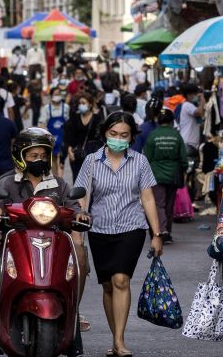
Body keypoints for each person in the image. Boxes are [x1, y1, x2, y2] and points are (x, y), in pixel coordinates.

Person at [0, 128, 91, 357]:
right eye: (33, 156)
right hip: (13, 242)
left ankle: (74, 310)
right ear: (20, 156)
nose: (39, 160)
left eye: (43, 155)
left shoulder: (59, 184)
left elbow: (74, 208)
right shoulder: (6, 182)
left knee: (81, 254)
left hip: (53, 244)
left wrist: (80, 215)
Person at [75, 112, 164, 357]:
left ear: (131, 137)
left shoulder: (140, 162)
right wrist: (79, 226)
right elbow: (83, 196)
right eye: (113, 134)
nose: (118, 139)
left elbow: (147, 198)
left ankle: (119, 340)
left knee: (120, 281)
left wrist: (157, 234)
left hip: (131, 228)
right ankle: (115, 341)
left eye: (124, 135)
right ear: (105, 133)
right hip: (99, 229)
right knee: (107, 285)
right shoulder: (92, 161)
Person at [142, 109, 187, 243]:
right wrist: (184, 169)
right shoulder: (176, 135)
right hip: (173, 175)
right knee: (169, 205)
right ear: (172, 120)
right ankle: (167, 230)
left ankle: (162, 231)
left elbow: (147, 158)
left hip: (156, 174)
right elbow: (183, 158)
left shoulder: (153, 135)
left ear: (158, 120)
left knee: (159, 204)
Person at [62, 92, 105, 182]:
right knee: (77, 179)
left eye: (83, 103)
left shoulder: (98, 119)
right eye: (80, 103)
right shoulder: (74, 118)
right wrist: (69, 151)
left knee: (92, 181)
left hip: (93, 153)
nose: (81, 105)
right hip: (76, 153)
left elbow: (101, 137)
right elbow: (69, 135)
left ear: (90, 104)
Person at [38, 85, 70, 178]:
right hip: (51, 138)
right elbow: (42, 123)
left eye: (59, 94)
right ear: (51, 96)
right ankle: (56, 177)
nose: (58, 96)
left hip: (63, 137)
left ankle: (60, 179)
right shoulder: (46, 108)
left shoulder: (66, 107)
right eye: (56, 94)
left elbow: (68, 122)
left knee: (61, 159)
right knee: (53, 159)